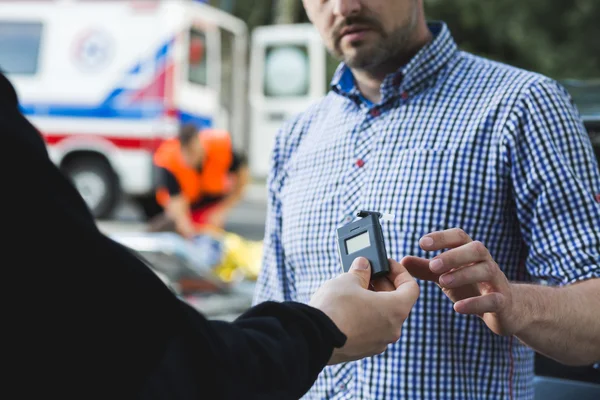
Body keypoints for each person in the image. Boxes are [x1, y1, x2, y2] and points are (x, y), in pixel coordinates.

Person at [253, 0, 600, 398]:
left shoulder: (522, 104)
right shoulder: (294, 138)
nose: (344, 6)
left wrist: (515, 305)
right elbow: (271, 324)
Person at [0, 70, 421, 398]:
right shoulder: (172, 162)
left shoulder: (221, 146)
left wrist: (219, 212)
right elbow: (165, 359)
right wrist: (320, 329)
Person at [149, 123, 249, 237]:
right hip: (188, 206)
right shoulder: (170, 161)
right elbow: (176, 201)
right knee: (164, 228)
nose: (193, 157)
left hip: (213, 203)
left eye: (194, 151)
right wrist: (186, 226)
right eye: (188, 153)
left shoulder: (220, 149)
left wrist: (222, 210)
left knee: (212, 235)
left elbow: (242, 178)